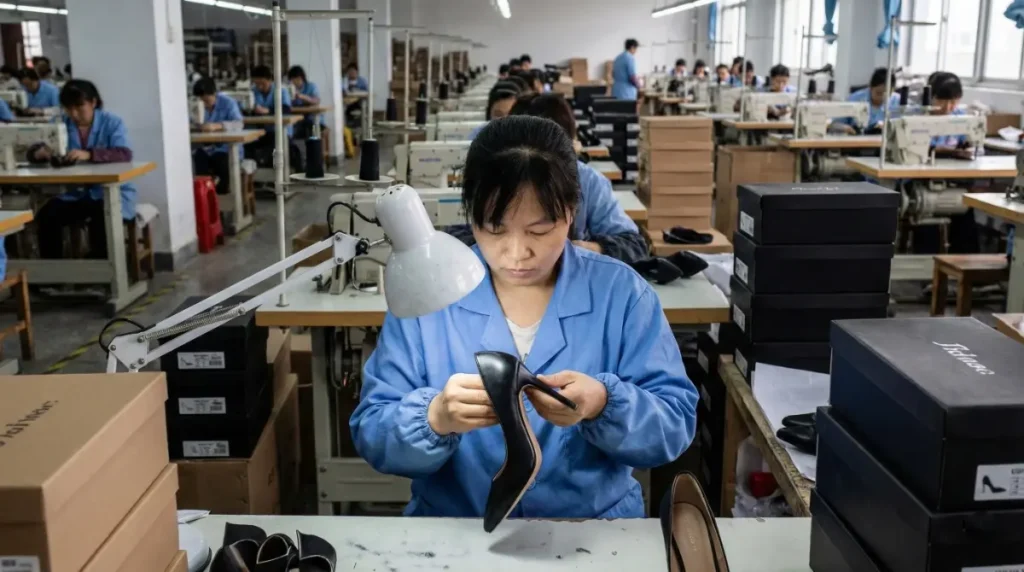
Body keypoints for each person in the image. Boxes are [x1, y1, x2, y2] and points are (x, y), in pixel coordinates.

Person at [351, 114, 698, 521]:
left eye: (539, 230)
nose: (517, 253)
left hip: (591, 533)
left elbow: (674, 423)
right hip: (455, 531)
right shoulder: (431, 295)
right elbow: (372, 429)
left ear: (571, 212)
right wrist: (435, 418)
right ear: (469, 213)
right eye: (495, 229)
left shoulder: (621, 295)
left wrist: (605, 405)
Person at [30, 80, 136, 260]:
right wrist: (38, 153)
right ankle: (53, 274)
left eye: (79, 107)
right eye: (69, 108)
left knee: (102, 217)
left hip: (109, 194)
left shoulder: (112, 122)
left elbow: (124, 153)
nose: (74, 113)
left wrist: (89, 154)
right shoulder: (61, 123)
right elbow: (37, 145)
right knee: (48, 214)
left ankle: (101, 274)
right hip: (76, 194)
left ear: (93, 102)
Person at [191, 77, 243, 196]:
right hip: (206, 148)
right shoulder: (196, 106)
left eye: (207, 101)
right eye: (201, 101)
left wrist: (217, 126)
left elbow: (239, 123)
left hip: (226, 148)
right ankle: (204, 198)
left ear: (214, 93)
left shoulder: (228, 102)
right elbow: (192, 122)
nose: (204, 104)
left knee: (222, 162)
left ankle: (222, 200)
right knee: (197, 159)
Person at [248, 65, 298, 169]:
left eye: (262, 83)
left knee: (274, 144)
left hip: (280, 132)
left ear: (270, 80)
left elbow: (286, 109)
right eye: (257, 84)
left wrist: (268, 111)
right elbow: (248, 108)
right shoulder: (253, 92)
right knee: (247, 144)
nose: (259, 87)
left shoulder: (281, 90)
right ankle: (254, 173)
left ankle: (273, 173)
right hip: (262, 131)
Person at [836, 67, 898, 134]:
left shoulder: (898, 102)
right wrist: (844, 128)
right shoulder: (855, 99)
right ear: (870, 87)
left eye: (888, 94)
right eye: (879, 93)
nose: (882, 97)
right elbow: (835, 124)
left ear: (893, 90)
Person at [928, 72, 976, 159]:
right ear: (930, 97)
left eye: (953, 102)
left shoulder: (960, 116)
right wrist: (952, 152)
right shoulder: (916, 117)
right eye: (941, 101)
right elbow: (921, 149)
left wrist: (970, 148)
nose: (947, 107)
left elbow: (966, 143)